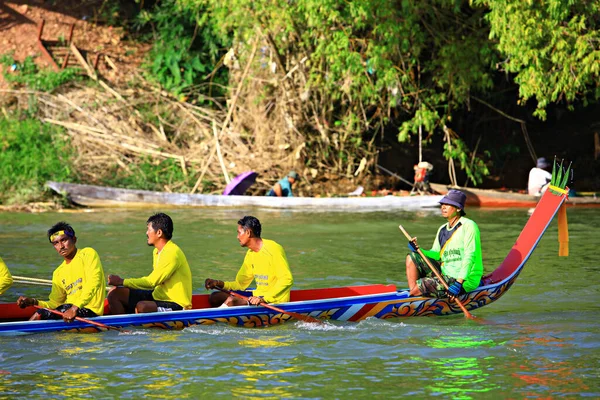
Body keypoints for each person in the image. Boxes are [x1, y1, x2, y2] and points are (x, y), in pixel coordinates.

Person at [16, 222, 106, 322]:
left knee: (39, 314)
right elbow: (55, 303)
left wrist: (74, 308)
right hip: (68, 312)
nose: (61, 246)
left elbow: (94, 282)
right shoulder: (58, 272)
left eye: (64, 240)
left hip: (90, 311)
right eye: (56, 243)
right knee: (42, 311)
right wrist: (33, 302)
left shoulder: (88, 254)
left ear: (74, 240)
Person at [404, 189, 483, 300]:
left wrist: (459, 283)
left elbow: (470, 256)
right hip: (445, 274)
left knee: (420, 286)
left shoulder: (469, 226)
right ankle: (414, 296)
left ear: (459, 208)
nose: (443, 207)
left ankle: (416, 293)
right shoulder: (442, 229)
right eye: (442, 204)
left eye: (448, 204)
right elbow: (437, 254)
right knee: (411, 258)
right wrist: (418, 249)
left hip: (464, 279)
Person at [107, 213, 192, 314]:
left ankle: (134, 327)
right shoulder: (156, 251)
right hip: (157, 296)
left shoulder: (172, 253)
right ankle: (122, 328)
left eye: (149, 229)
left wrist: (122, 281)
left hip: (177, 304)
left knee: (142, 307)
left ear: (159, 233)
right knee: (114, 293)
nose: (146, 233)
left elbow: (151, 282)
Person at [205, 216, 294, 307]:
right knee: (215, 297)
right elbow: (240, 284)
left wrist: (264, 298)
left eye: (239, 233)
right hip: (257, 296)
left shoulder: (273, 249)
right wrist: (218, 283)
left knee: (231, 301)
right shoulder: (250, 253)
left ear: (248, 232)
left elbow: (287, 279)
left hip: (273, 300)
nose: (237, 237)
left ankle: (209, 320)